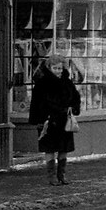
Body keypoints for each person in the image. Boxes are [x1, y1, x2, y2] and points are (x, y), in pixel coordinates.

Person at [29, 55, 81, 185]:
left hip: (64, 120)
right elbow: (36, 103)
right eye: (55, 68)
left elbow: (75, 98)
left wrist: (73, 108)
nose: (58, 71)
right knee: (50, 149)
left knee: (64, 149)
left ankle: (61, 175)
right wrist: (40, 119)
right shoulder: (42, 83)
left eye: (60, 68)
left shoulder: (67, 82)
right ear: (49, 68)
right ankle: (51, 176)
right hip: (49, 121)